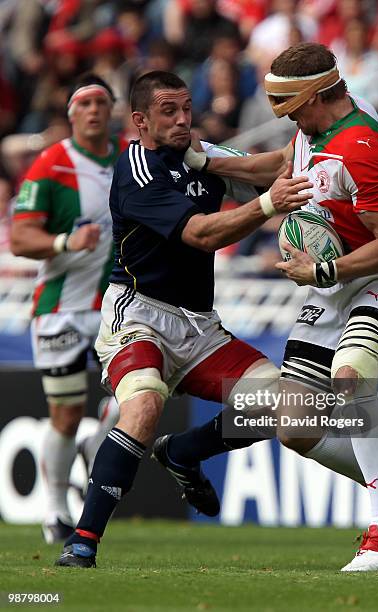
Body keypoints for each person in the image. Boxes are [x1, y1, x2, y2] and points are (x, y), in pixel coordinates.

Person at [168, 42, 378, 572]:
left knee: (351, 379)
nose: (287, 117)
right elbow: (281, 163)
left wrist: (321, 270)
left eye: (291, 105)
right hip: (329, 291)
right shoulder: (312, 131)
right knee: (295, 425)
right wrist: (206, 157)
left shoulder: (363, 146)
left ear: (317, 93)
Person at [54, 70, 313, 568]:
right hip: (139, 315)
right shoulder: (137, 166)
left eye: (186, 109)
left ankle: (184, 452)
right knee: (145, 405)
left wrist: (348, 140)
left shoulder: (201, 155)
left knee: (283, 406)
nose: (181, 120)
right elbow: (200, 235)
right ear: (140, 121)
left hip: (200, 326)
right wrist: (265, 205)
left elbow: (279, 165)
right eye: (168, 112)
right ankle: (82, 540)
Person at [10, 74, 124, 543]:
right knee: (64, 414)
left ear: (112, 109)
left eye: (102, 102)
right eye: (85, 103)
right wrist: (64, 241)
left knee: (137, 396)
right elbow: (19, 237)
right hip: (61, 310)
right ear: (72, 113)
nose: (94, 110)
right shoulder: (52, 165)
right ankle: (55, 509)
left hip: (117, 307)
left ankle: (99, 442)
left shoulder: (132, 158)